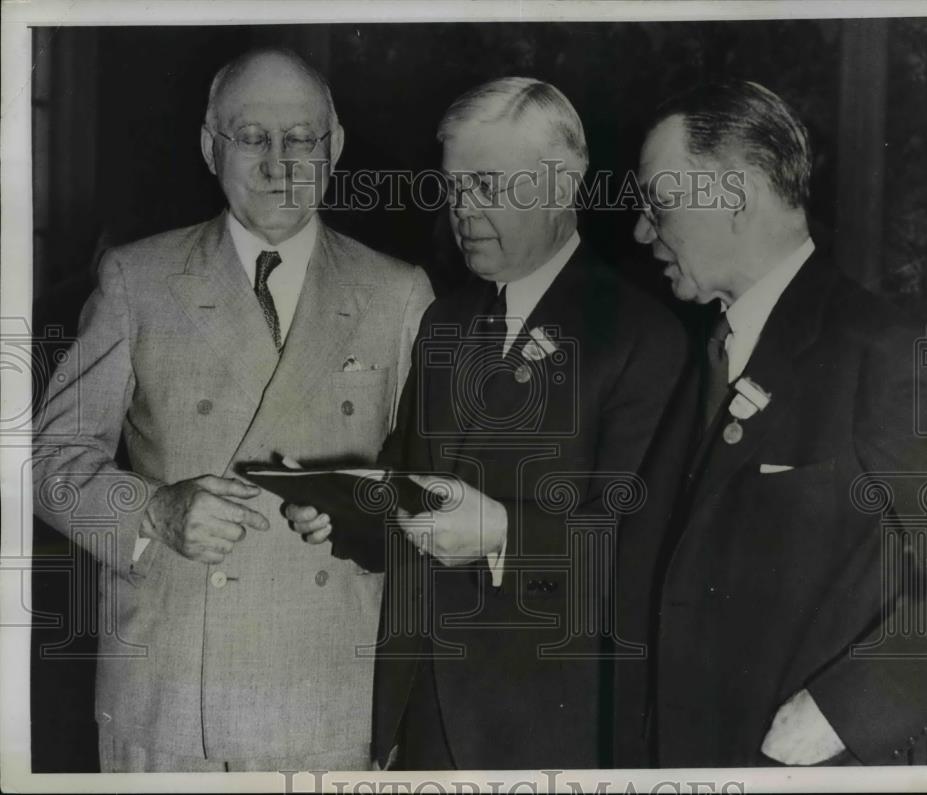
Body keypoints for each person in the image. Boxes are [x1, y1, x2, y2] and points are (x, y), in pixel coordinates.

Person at [32, 47, 433, 772]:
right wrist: (151, 512)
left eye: (301, 138)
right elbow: (45, 464)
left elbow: (440, 487)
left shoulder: (399, 294)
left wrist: (370, 506)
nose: (279, 161)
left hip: (331, 701)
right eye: (252, 137)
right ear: (210, 147)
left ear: (334, 146)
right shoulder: (136, 279)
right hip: (174, 703)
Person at [289, 76, 688, 769]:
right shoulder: (447, 320)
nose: (461, 209)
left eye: (487, 184)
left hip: (544, 731)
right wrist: (346, 511)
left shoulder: (641, 336)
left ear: (562, 185)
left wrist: (503, 531)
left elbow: (641, 552)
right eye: (453, 186)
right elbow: (408, 480)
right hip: (420, 717)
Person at [614, 80, 927, 767]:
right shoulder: (705, 359)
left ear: (738, 195)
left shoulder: (879, 351)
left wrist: (847, 709)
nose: (640, 230)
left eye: (658, 203)